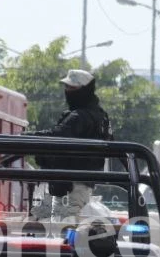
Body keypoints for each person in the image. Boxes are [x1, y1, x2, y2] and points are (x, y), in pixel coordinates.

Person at [27, 70, 112, 221]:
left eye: (72, 89)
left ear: (85, 90)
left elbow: (56, 137)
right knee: (55, 226)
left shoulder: (79, 117)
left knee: (63, 232)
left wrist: (27, 138)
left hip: (70, 187)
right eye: (66, 88)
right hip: (74, 186)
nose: (67, 92)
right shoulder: (100, 116)